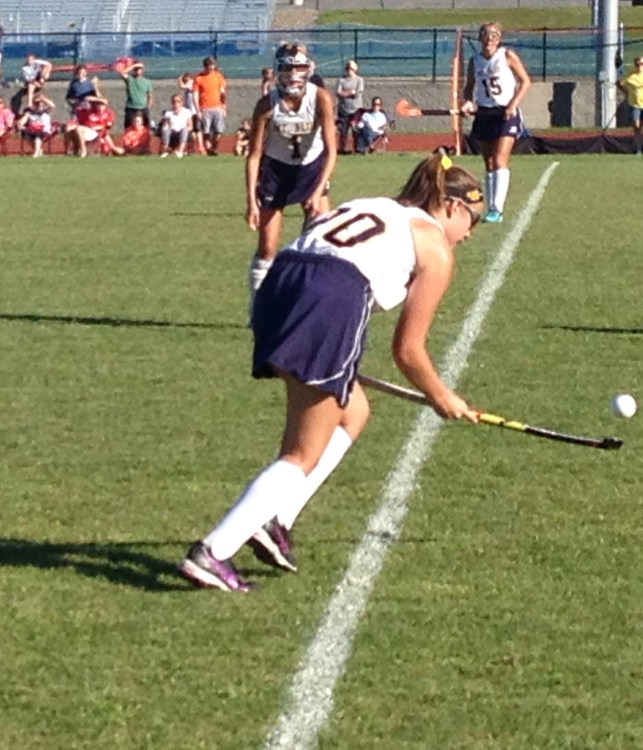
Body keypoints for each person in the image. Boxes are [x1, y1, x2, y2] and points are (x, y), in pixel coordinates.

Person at [178, 151, 486, 592]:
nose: (469, 235)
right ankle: (213, 551)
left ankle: (276, 518)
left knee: (353, 411)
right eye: (471, 222)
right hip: (329, 297)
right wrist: (442, 396)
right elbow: (408, 350)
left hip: (278, 285)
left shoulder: (376, 205)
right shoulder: (435, 244)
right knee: (302, 452)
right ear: (453, 207)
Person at [245, 43, 337, 304]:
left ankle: (307, 303)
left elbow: (331, 151)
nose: (294, 74)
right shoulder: (266, 104)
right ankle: (259, 308)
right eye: (288, 68)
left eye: (299, 67)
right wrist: (251, 201)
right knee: (267, 248)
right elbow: (253, 156)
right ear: (278, 71)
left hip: (312, 168)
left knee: (320, 245)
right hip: (277, 170)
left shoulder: (320, 98)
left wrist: (318, 190)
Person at [461, 22, 531, 224]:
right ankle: (490, 205)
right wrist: (467, 102)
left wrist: (513, 104)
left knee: (500, 160)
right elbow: (469, 87)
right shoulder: (475, 61)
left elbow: (525, 81)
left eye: (494, 36)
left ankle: (496, 209)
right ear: (480, 39)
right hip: (485, 112)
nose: (489, 40)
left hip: (505, 113)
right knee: (489, 162)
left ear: (499, 39)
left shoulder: (507, 55)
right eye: (486, 36)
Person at [192, 56, 227, 155]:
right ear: (205, 66)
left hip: (217, 106)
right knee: (206, 131)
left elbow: (222, 92)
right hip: (205, 107)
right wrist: (198, 110)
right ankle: (209, 149)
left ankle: (214, 146)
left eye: (212, 66)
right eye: (209, 66)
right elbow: (195, 94)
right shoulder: (199, 78)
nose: (211, 68)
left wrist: (224, 106)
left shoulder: (218, 77)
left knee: (218, 130)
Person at [334, 59, 364, 155]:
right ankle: (342, 148)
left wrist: (346, 93)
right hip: (343, 110)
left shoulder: (359, 80)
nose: (348, 70)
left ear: (354, 69)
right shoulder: (341, 80)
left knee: (356, 130)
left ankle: (358, 149)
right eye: (347, 68)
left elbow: (357, 94)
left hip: (356, 109)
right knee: (343, 131)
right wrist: (350, 92)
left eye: (350, 69)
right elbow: (338, 93)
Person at [117, 60, 154, 129]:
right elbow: (122, 73)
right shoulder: (130, 80)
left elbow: (150, 95)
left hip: (143, 107)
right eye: (136, 69)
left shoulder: (147, 82)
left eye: (139, 69)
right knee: (128, 127)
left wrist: (149, 104)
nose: (138, 70)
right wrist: (134, 65)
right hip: (131, 107)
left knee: (145, 127)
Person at [177, 71, 204, 155]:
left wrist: (179, 79)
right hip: (189, 112)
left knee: (196, 130)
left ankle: (199, 147)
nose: (188, 81)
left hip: (194, 112)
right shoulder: (190, 86)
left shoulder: (191, 84)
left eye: (188, 79)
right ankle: (194, 147)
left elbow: (181, 86)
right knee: (193, 130)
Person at [158, 93, 191, 158]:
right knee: (165, 129)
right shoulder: (168, 113)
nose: (176, 103)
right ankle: (165, 150)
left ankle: (180, 151)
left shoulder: (186, 112)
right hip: (172, 133)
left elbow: (190, 125)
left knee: (185, 129)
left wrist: (185, 129)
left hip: (182, 132)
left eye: (178, 101)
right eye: (174, 101)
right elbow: (166, 124)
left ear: (182, 103)